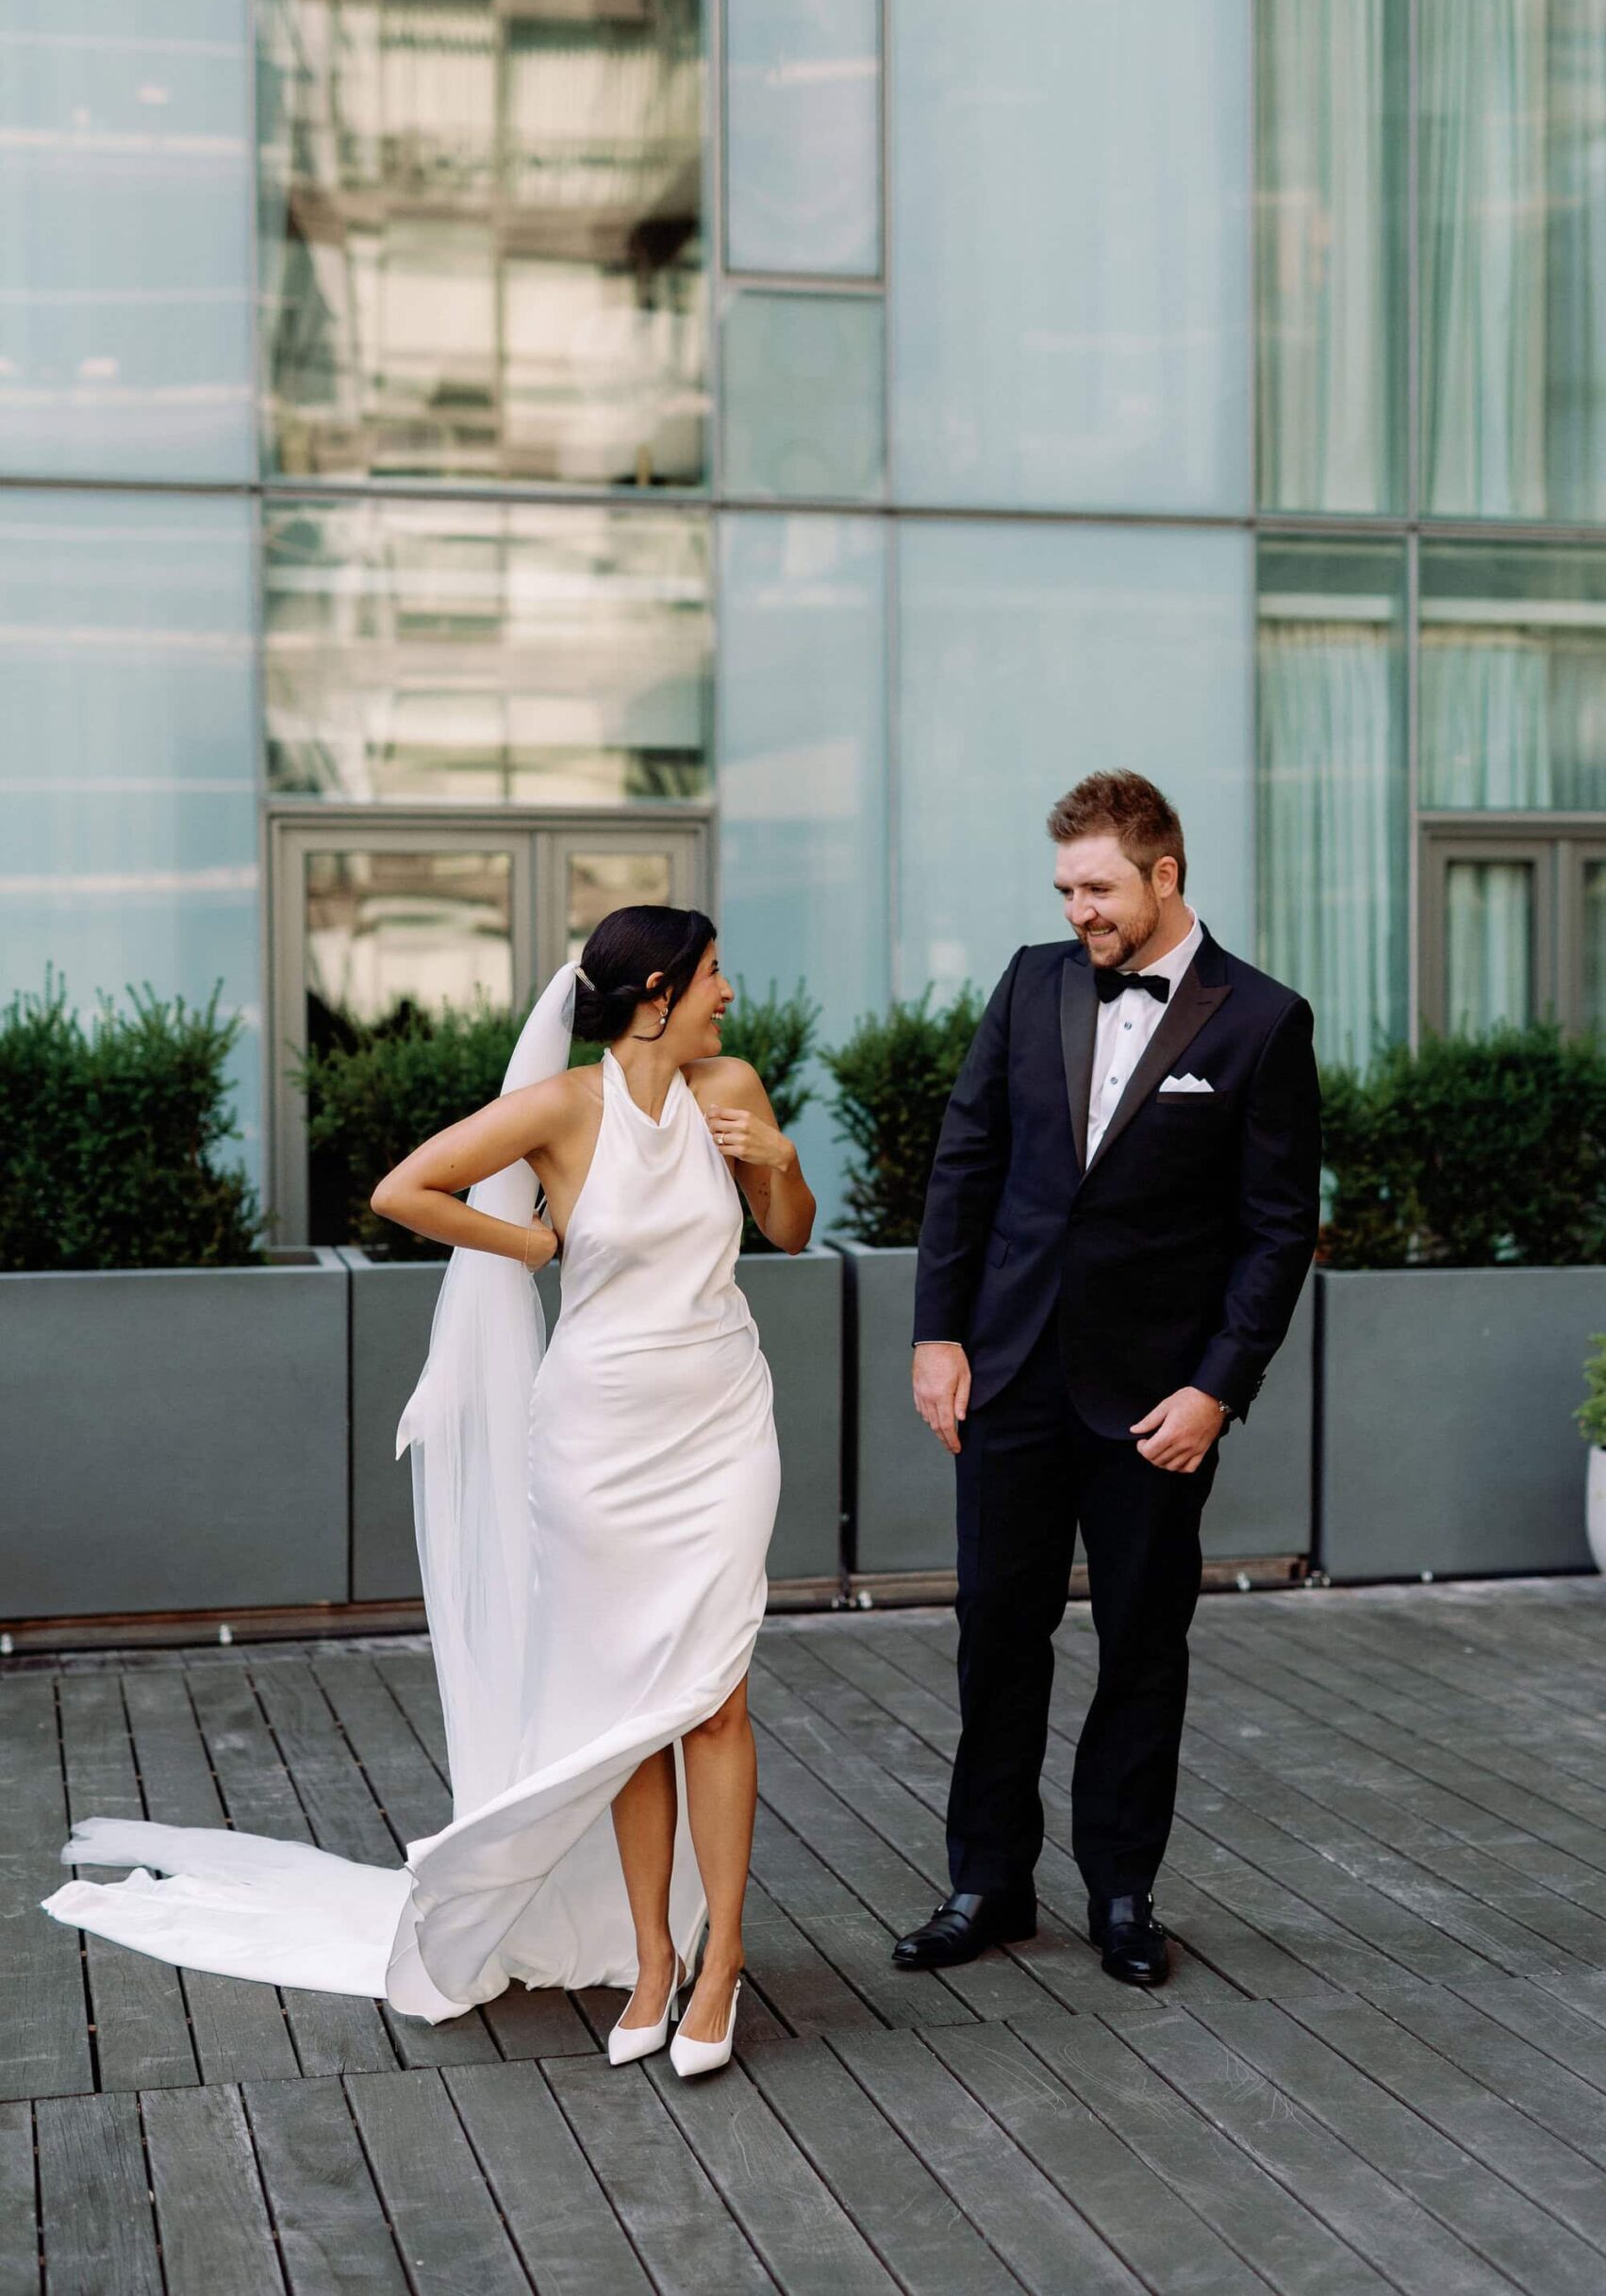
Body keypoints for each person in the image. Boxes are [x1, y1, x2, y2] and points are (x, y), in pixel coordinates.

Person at [43, 907, 815, 2082]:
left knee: (713, 1694)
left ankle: (721, 1959)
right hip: (599, 1441)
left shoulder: (734, 1083)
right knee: (629, 1713)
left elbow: (791, 1235)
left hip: (719, 1422)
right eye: (714, 973)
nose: (729, 992)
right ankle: (653, 1956)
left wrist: (778, 1160)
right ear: (658, 990)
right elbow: (406, 1189)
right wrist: (534, 1249)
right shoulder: (562, 1106)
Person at [891, 771, 1320, 1988]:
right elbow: (963, 1164)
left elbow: (1274, 1230)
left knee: (1141, 1642)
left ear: (1163, 875)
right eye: (1065, 889)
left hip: (1155, 1403)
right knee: (994, 1636)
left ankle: (1122, 1891)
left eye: (1097, 887)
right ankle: (986, 1881)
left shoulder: (1260, 1021)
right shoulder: (1030, 985)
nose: (1078, 910)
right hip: (1010, 1374)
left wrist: (1215, 1389)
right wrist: (937, 1335)